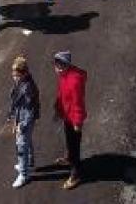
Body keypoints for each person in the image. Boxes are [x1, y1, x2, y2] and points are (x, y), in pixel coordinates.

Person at [53, 51, 87, 190]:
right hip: (67, 116)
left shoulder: (74, 81)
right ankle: (69, 157)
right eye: (57, 65)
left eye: (62, 66)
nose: (58, 68)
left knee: (74, 146)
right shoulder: (64, 76)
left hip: (74, 120)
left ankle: (75, 174)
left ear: (67, 65)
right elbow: (61, 94)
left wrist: (77, 122)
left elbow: (78, 103)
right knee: (69, 140)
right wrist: (58, 110)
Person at [7, 55, 41, 189]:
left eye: (17, 75)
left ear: (24, 73)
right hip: (21, 117)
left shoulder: (27, 88)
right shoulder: (23, 82)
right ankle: (29, 163)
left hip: (24, 120)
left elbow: (30, 109)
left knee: (21, 145)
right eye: (13, 75)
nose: (14, 77)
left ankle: (24, 173)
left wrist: (21, 125)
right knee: (27, 142)